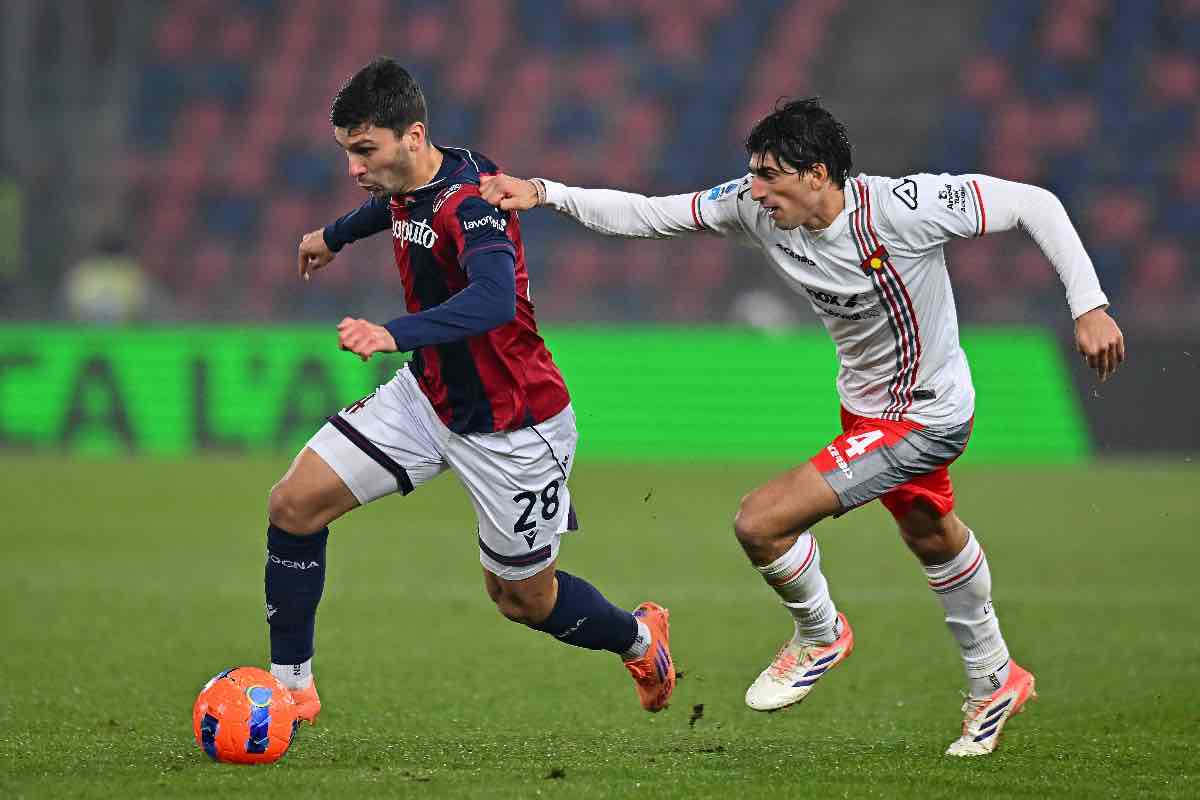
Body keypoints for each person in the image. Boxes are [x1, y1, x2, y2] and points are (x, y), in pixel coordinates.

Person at [480, 97, 1124, 756]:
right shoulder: (753, 209)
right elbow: (649, 215)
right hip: (866, 408)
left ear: (817, 173)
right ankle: (995, 676)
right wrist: (543, 193)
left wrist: (1089, 306)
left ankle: (820, 634)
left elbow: (1034, 203)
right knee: (930, 532)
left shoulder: (903, 207)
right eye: (752, 174)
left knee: (761, 521)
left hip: (926, 413)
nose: (755, 191)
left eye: (769, 175)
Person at [270, 57, 676, 723]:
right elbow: (392, 207)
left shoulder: (473, 203)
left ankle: (639, 639)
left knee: (523, 600)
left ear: (413, 135)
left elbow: (491, 300)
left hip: (515, 427)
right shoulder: (420, 175)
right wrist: (333, 236)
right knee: (293, 505)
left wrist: (391, 332)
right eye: (347, 152)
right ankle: (290, 690)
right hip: (427, 398)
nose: (353, 167)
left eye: (364, 150)